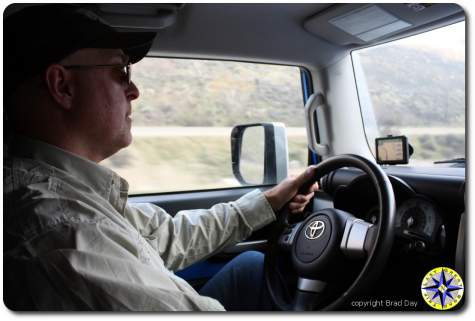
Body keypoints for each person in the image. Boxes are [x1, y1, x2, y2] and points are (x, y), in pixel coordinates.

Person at [3, 4, 319, 311]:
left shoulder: (73, 191)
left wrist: (269, 201)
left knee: (251, 265)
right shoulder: (61, 228)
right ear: (63, 86)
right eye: (120, 71)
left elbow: (165, 237)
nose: (134, 90)